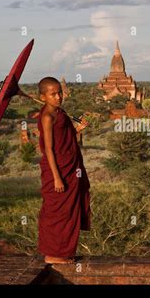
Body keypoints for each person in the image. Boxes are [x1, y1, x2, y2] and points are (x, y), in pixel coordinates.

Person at [37, 76, 91, 264]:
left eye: (59, 92)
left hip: (70, 166)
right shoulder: (47, 116)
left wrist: (78, 128)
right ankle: (53, 254)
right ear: (43, 97)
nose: (58, 97)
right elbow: (49, 149)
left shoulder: (60, 112)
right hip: (58, 169)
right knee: (57, 212)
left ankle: (64, 252)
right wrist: (57, 177)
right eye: (52, 94)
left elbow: (64, 137)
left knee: (69, 211)